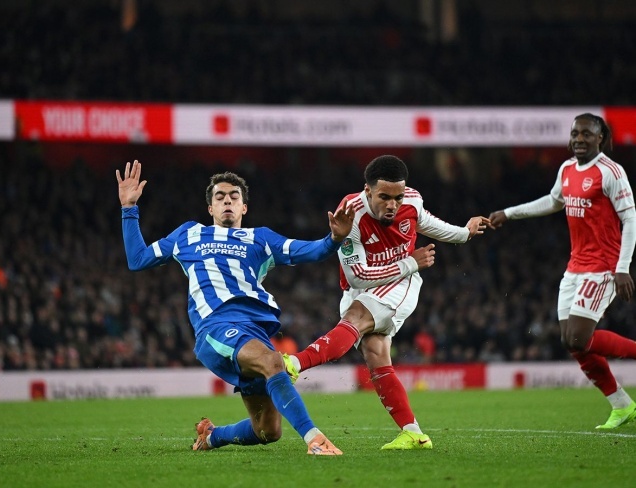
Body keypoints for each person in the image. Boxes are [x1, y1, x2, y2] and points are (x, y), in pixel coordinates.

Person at [116, 160, 354, 455]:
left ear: (244, 207)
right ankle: (315, 440)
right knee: (274, 362)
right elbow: (137, 259)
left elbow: (310, 251)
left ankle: (212, 437)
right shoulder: (188, 234)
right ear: (210, 208)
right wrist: (129, 208)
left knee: (267, 430)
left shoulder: (261, 239)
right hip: (216, 325)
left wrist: (334, 239)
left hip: (254, 330)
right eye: (220, 197)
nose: (227, 201)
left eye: (234, 196)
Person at [283, 155, 490, 450]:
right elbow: (357, 277)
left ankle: (293, 364)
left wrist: (465, 233)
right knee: (375, 353)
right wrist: (410, 262)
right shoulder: (350, 214)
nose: (392, 204)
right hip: (364, 284)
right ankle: (413, 433)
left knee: (355, 318)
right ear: (368, 191)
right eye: (384, 197)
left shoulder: (412, 201)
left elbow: (432, 225)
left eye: (397, 197)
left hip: (401, 283)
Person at [487, 113, 636, 429]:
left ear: (600, 137)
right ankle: (621, 405)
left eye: (586, 134)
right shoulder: (567, 168)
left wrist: (622, 267)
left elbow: (630, 219)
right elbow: (553, 201)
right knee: (571, 342)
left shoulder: (610, 171)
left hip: (604, 266)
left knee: (579, 337)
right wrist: (509, 213)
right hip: (575, 266)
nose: (579, 139)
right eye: (575, 133)